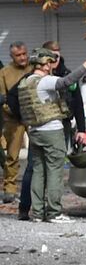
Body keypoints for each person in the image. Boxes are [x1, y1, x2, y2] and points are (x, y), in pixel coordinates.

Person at [21, 46, 86, 222]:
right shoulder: (45, 81)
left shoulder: (26, 81)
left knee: (38, 172)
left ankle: (36, 212)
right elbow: (67, 81)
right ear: (43, 64)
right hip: (51, 132)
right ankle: (53, 213)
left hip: (35, 132)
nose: (51, 65)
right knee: (55, 172)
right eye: (49, 62)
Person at [1, 41, 30, 201]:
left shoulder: (34, 68)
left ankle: (38, 188)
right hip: (14, 119)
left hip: (34, 118)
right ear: (12, 56)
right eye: (18, 55)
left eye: (24, 54)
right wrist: (13, 112)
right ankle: (10, 189)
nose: (22, 57)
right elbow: (3, 98)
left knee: (39, 153)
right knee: (12, 155)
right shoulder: (4, 73)